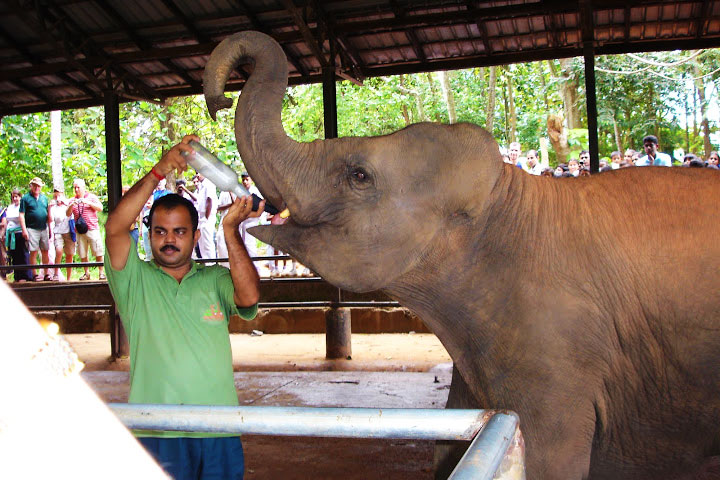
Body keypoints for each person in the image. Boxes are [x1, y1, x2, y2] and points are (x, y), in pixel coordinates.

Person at [104, 135, 262, 480]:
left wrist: (231, 229)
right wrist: (157, 172)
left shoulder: (215, 280)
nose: (169, 239)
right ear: (149, 235)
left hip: (218, 430)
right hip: (156, 431)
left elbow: (249, 297)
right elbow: (115, 227)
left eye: (179, 231)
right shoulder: (133, 279)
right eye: (160, 231)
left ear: (194, 236)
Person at [67, 178, 105, 280]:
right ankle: (86, 273)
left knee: (98, 251)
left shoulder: (91, 197)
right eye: (75, 187)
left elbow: (100, 208)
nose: (76, 190)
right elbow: (67, 214)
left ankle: (101, 272)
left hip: (92, 228)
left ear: (83, 187)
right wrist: (71, 205)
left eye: (78, 187)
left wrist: (87, 202)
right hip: (79, 231)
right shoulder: (72, 200)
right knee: (82, 252)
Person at [19, 177, 51, 281]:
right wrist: (24, 229)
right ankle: (35, 274)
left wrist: (50, 229)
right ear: (31, 186)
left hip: (43, 227)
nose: (37, 188)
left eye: (39, 186)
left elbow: (48, 214)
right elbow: (21, 214)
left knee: (45, 250)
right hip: (32, 228)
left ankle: (46, 273)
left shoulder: (44, 198)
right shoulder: (25, 198)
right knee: (33, 251)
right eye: (35, 185)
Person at [4, 188, 31, 282]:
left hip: (20, 232)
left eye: (16, 196)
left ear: (20, 197)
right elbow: (7, 220)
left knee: (23, 254)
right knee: (14, 255)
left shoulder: (22, 206)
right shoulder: (10, 207)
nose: (15, 198)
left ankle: (26, 276)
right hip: (11, 235)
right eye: (13, 197)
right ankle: (17, 276)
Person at [49, 186, 75, 281]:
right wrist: (49, 208)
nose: (58, 198)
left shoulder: (68, 203)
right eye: (56, 196)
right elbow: (51, 220)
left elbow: (71, 213)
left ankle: (69, 277)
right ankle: (56, 273)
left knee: (69, 254)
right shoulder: (53, 207)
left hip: (68, 231)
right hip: (57, 232)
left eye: (59, 195)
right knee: (59, 251)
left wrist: (66, 204)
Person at [192, 173, 218, 262]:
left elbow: (209, 201)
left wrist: (206, 217)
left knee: (207, 243)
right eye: (196, 173)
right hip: (201, 217)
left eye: (200, 172)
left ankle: (211, 264)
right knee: (202, 243)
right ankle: (206, 263)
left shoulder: (209, 184)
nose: (198, 175)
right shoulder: (201, 186)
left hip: (207, 217)